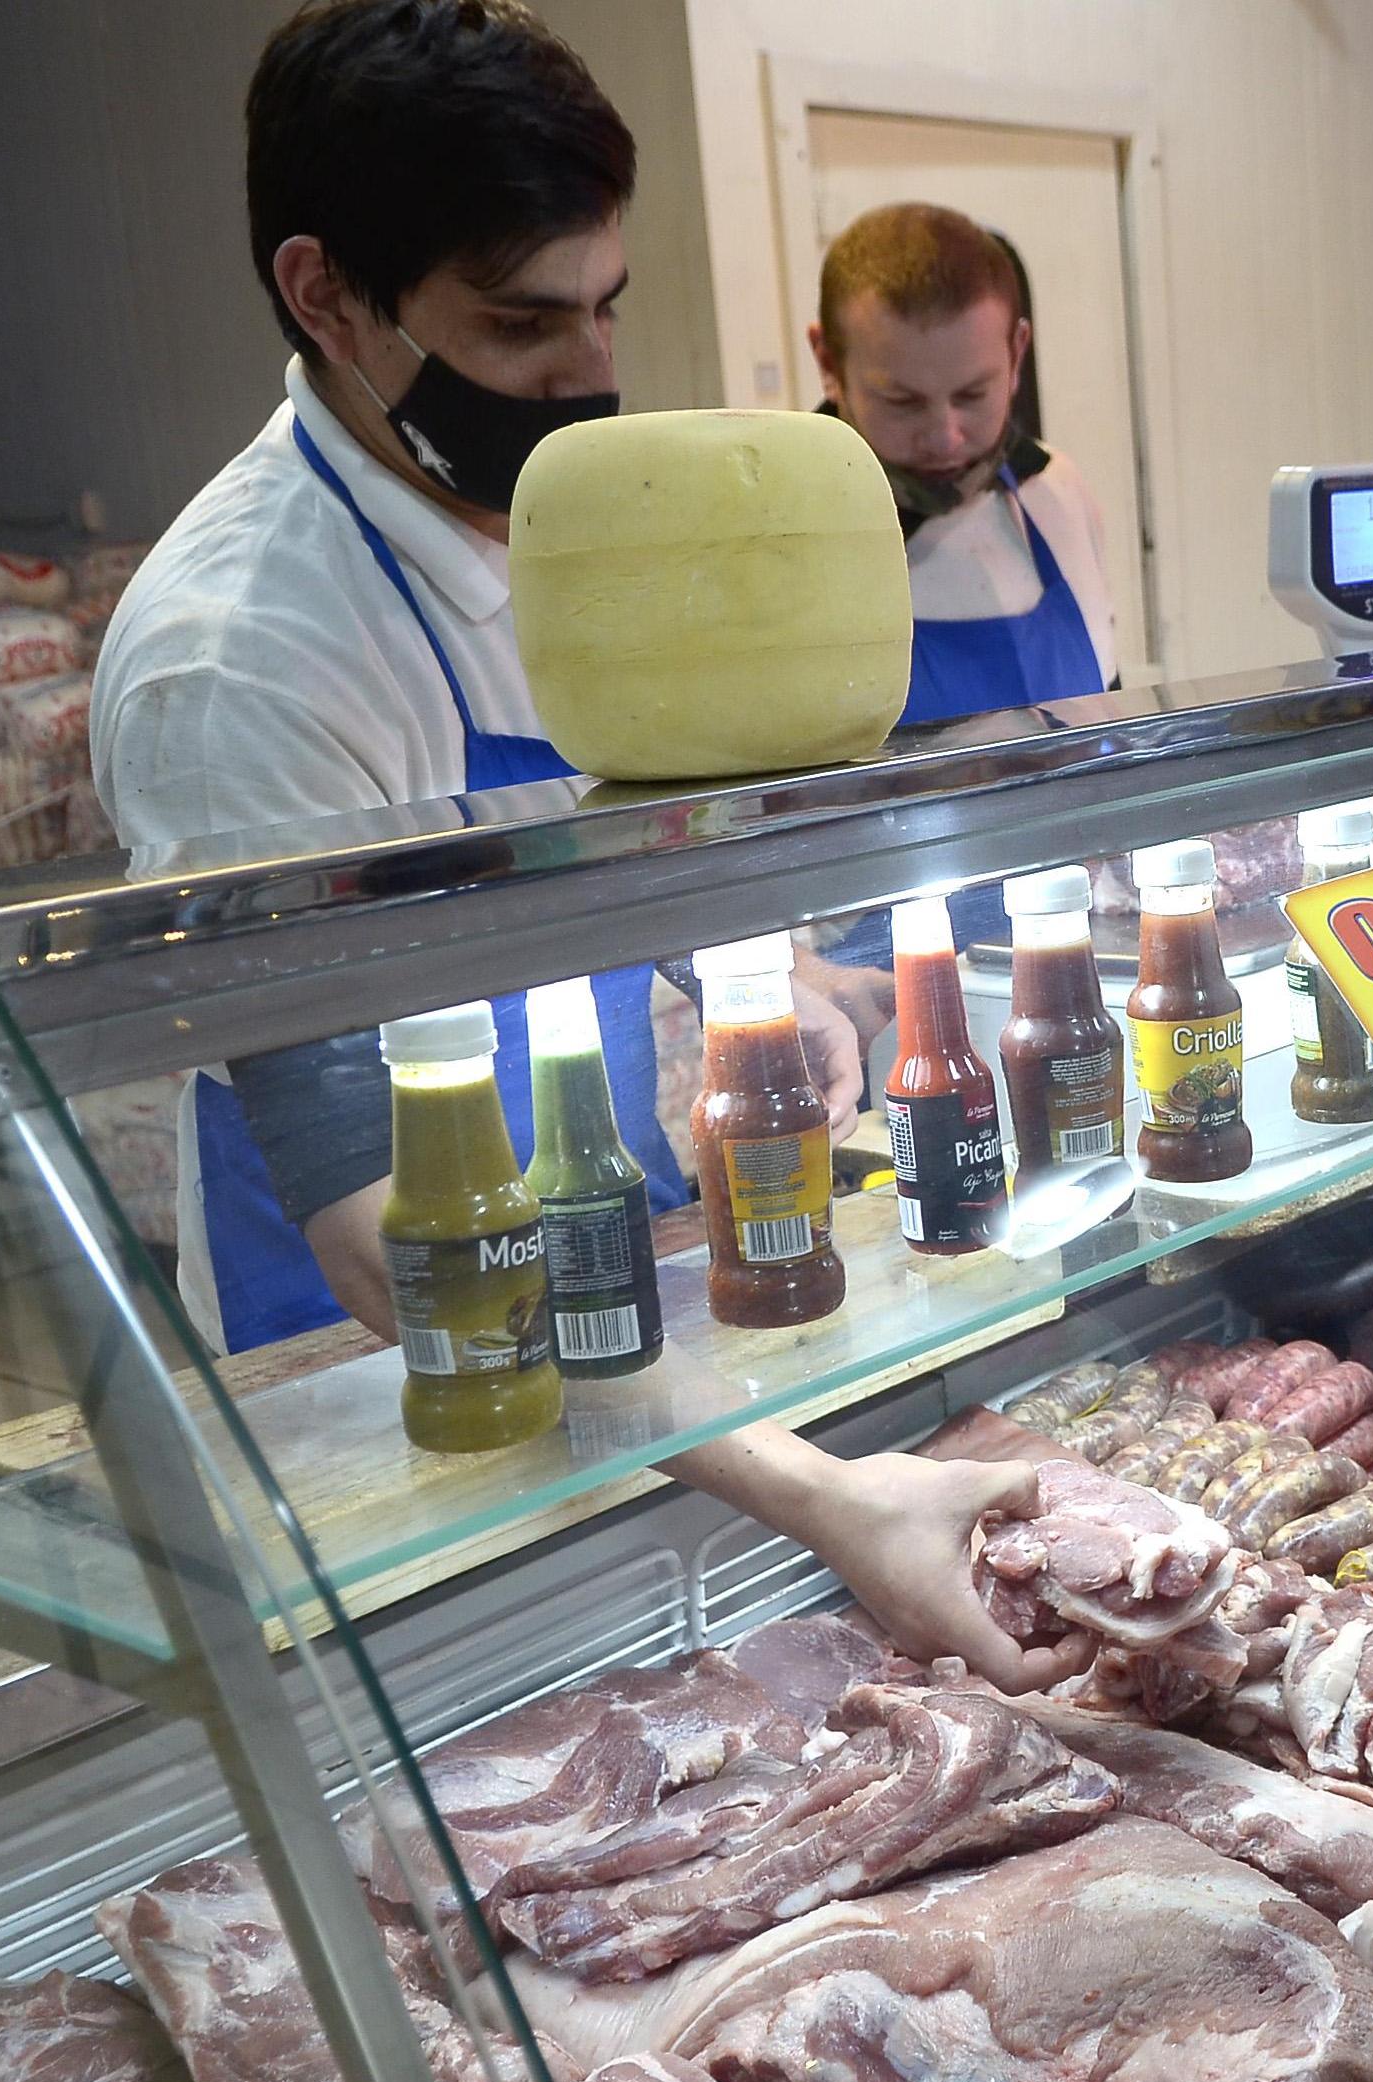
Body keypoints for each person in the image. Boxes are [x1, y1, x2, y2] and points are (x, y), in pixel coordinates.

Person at [91, 0, 1065, 1686]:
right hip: (392, 1394)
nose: (592, 374)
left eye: (607, 306)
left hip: (632, 1324)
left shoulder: (576, 547)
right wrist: (816, 1492)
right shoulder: (244, 658)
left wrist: (783, 972)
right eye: (522, 321)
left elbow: (588, 839)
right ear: (325, 292)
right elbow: (388, 1224)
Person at [806, 202, 1121, 972]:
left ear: (1018, 352)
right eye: (903, 401)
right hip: (886, 1000)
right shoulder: (785, 537)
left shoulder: (1055, 494)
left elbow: (1110, 729)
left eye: (974, 395)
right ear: (827, 360)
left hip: (1086, 961)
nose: (945, 436)